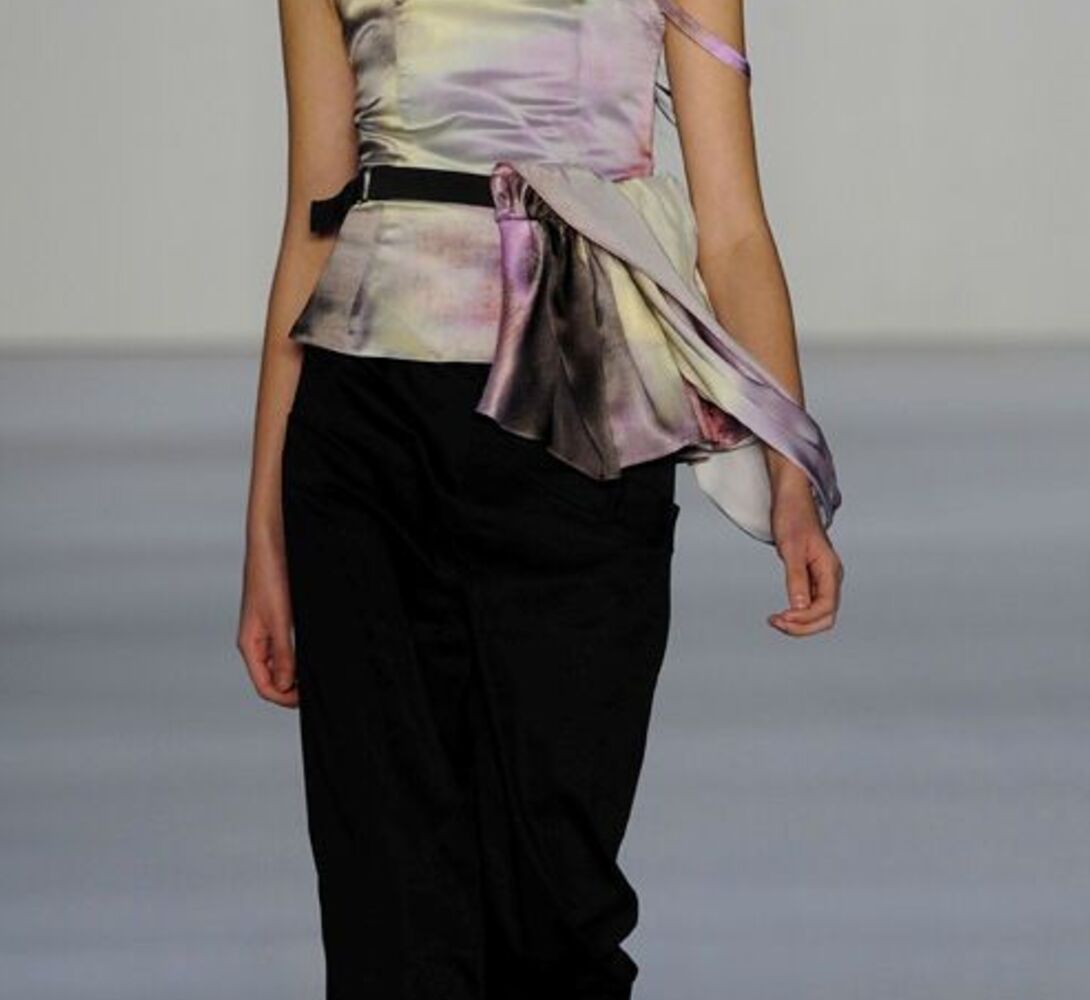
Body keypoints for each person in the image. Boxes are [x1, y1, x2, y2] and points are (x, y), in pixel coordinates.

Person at [238, 1, 846, 996]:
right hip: (363, 434)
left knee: (553, 906)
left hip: (583, 428)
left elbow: (732, 229)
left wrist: (792, 473)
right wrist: (265, 534)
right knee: (384, 908)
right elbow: (315, 216)